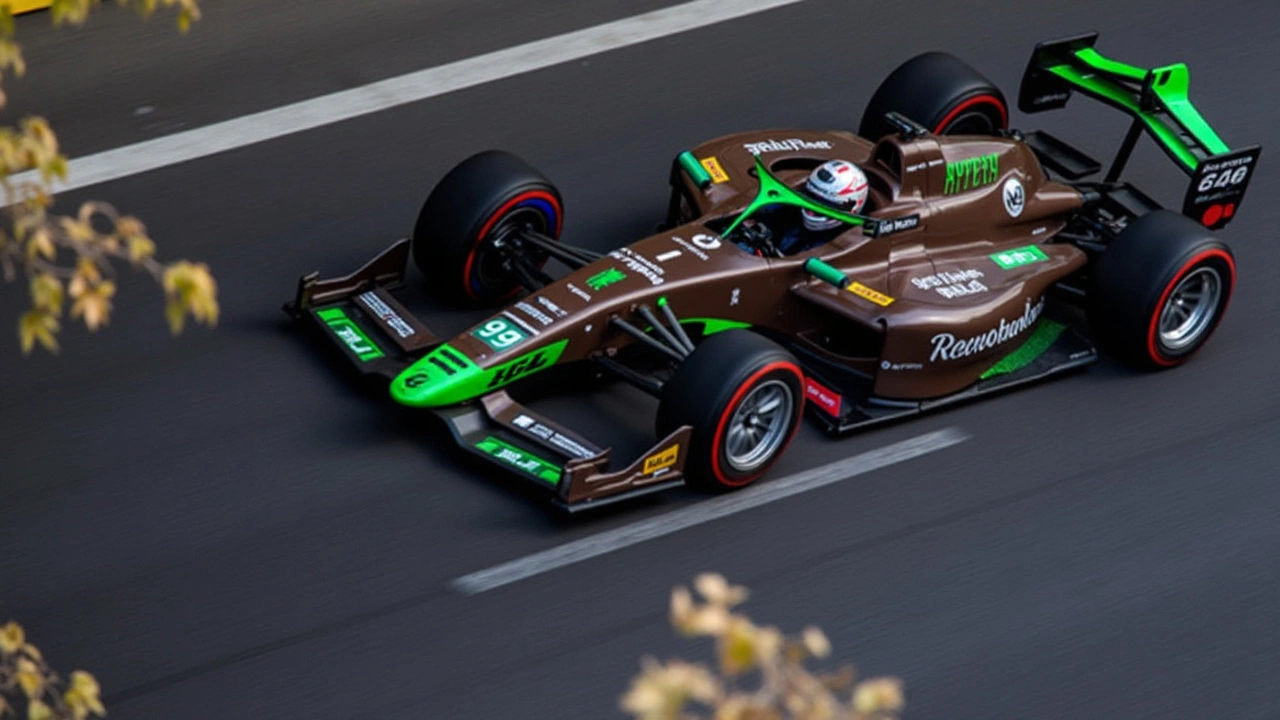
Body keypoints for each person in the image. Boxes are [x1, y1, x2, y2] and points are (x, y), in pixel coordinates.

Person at [736, 159, 870, 256]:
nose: (810, 211)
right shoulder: (790, 208)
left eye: (823, 204)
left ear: (850, 206)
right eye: (811, 197)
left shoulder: (847, 243)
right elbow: (765, 211)